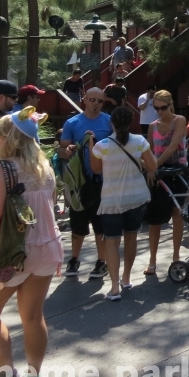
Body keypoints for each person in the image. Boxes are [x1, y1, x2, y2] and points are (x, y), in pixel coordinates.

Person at [0, 110, 64, 377]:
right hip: (47, 248)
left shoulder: (0, 170)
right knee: (32, 316)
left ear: (9, 138)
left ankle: (6, 376)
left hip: (13, 254)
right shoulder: (45, 167)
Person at [90, 106, 157, 301]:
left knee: (111, 240)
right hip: (136, 197)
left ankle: (113, 286)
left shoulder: (101, 145)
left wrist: (89, 145)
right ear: (130, 123)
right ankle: (126, 278)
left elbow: (95, 169)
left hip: (112, 199)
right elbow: (152, 166)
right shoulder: (140, 141)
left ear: (111, 122)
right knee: (131, 236)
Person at [59, 87, 112, 279]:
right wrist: (68, 149)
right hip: (80, 182)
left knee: (100, 225)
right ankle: (74, 259)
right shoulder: (72, 122)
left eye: (100, 101)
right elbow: (63, 147)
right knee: (78, 225)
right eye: (92, 100)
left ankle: (101, 261)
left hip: (103, 181)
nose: (96, 104)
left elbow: (117, 143)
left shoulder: (108, 121)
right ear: (85, 100)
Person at [143, 90, 188, 274]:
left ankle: (176, 255)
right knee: (155, 220)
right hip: (158, 173)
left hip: (176, 171)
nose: (160, 112)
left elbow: (172, 147)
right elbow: (148, 149)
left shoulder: (179, 120)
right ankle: (152, 260)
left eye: (163, 108)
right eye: (156, 108)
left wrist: (154, 165)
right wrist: (149, 167)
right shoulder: (152, 126)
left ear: (170, 105)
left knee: (177, 215)